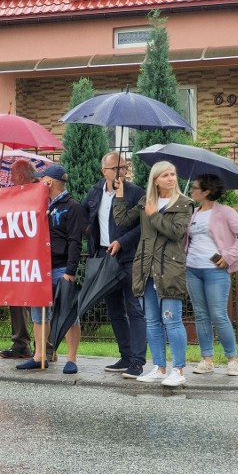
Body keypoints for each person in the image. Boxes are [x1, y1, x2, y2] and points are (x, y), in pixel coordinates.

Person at [114, 161, 192, 387]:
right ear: (155, 180)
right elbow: (122, 221)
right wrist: (119, 194)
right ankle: (159, 367)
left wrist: (155, 214)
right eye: (165, 175)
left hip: (170, 268)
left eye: (173, 174)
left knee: (172, 320)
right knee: (152, 321)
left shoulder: (184, 204)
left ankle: (178, 369)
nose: (171, 178)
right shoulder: (146, 202)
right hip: (146, 267)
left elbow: (176, 233)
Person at [16, 164, 86, 374]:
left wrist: (70, 272)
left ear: (51, 182)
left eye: (42, 179)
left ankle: (71, 359)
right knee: (39, 314)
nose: (38, 182)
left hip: (61, 267)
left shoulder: (72, 206)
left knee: (69, 315)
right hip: (41, 267)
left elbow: (75, 241)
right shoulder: (42, 204)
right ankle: (39, 355)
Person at [83, 152, 146, 379]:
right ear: (104, 171)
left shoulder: (137, 193)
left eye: (124, 167)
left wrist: (122, 241)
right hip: (103, 257)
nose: (122, 171)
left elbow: (141, 227)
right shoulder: (94, 192)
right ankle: (126, 356)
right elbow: (84, 218)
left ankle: (138, 361)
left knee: (134, 309)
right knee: (115, 311)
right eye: (117, 168)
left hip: (128, 257)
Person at [185, 173, 238, 376]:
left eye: (195, 188)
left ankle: (232, 360)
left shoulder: (224, 212)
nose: (191, 191)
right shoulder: (193, 212)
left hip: (216, 271)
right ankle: (206, 359)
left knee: (218, 314)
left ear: (207, 191)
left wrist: (229, 256)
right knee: (201, 315)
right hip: (193, 269)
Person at [0, 159, 37, 359]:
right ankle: (20, 344)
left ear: (21, 176)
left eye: (12, 174)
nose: (10, 178)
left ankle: (46, 348)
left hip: (36, 254)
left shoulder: (41, 193)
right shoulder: (14, 194)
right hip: (16, 254)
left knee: (38, 301)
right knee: (16, 299)